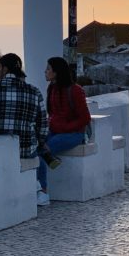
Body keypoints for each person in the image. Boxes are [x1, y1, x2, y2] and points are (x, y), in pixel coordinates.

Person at [38, 56, 91, 207]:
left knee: (43, 151)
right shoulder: (52, 89)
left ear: (56, 72)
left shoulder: (75, 90)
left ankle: (43, 192)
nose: (45, 71)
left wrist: (64, 128)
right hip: (55, 131)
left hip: (74, 134)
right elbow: (53, 113)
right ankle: (51, 163)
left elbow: (84, 118)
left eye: (48, 69)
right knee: (35, 147)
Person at [0, 53, 47, 159]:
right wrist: (41, 141)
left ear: (5, 69)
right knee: (41, 167)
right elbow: (43, 124)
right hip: (26, 150)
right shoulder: (34, 91)